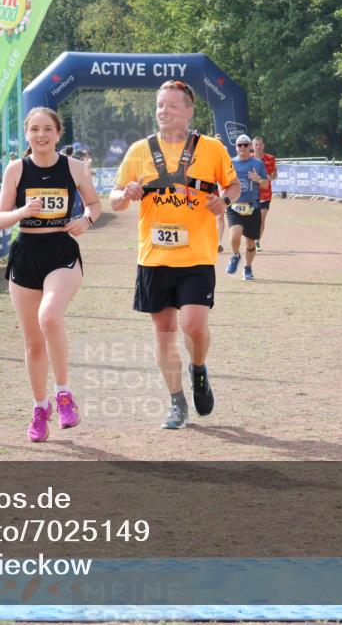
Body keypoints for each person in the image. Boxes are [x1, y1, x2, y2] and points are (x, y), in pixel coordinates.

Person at [110, 80, 239, 430]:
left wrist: (222, 201)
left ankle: (199, 368)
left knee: (194, 325)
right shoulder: (140, 150)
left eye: (171, 106)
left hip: (196, 255)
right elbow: (115, 199)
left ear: (189, 110)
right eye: (160, 105)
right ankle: (177, 402)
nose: (163, 112)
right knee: (164, 332)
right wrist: (126, 194)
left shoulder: (211, 149)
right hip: (154, 259)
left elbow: (233, 185)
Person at [0, 106, 101, 442]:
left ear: (58, 133)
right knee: (33, 343)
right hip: (26, 255)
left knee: (50, 317)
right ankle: (40, 408)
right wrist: (23, 211)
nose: (41, 135)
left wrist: (85, 221)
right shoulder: (15, 170)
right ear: (27, 134)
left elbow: (94, 205)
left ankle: (64, 394)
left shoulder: (75, 168)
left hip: (61, 253)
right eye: (34, 129)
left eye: (47, 129)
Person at [225, 134, 267, 281]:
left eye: (245, 144)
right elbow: (222, 181)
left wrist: (258, 179)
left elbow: (266, 184)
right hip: (234, 205)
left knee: (250, 243)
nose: (242, 147)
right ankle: (236, 255)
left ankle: (248, 267)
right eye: (240, 145)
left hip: (252, 206)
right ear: (236, 148)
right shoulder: (229, 163)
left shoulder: (258, 164)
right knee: (235, 234)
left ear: (250, 147)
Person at [252, 135, 277, 252]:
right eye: (256, 145)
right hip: (252, 194)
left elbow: (275, 175)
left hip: (266, 194)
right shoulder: (248, 158)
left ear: (263, 145)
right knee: (252, 219)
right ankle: (250, 239)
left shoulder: (270, 158)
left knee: (261, 219)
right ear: (252, 146)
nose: (258, 147)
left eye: (260, 144)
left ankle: (257, 241)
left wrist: (270, 177)